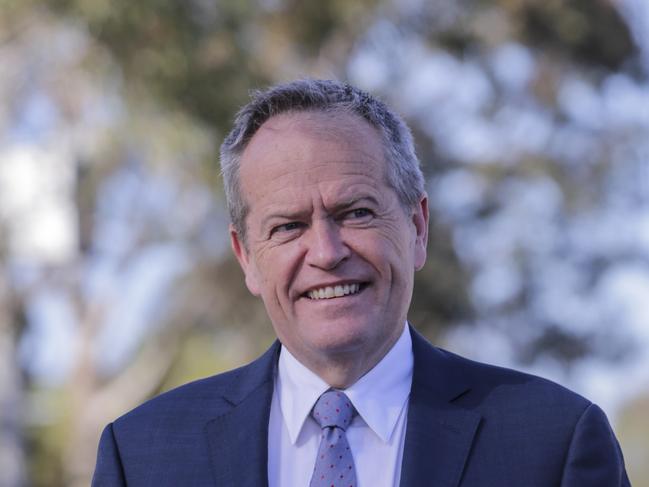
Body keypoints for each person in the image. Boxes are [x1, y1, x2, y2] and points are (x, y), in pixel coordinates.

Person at [92, 79, 630, 486]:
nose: (326, 253)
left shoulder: (554, 442)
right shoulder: (141, 455)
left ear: (418, 228)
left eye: (356, 212)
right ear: (246, 257)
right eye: (287, 227)